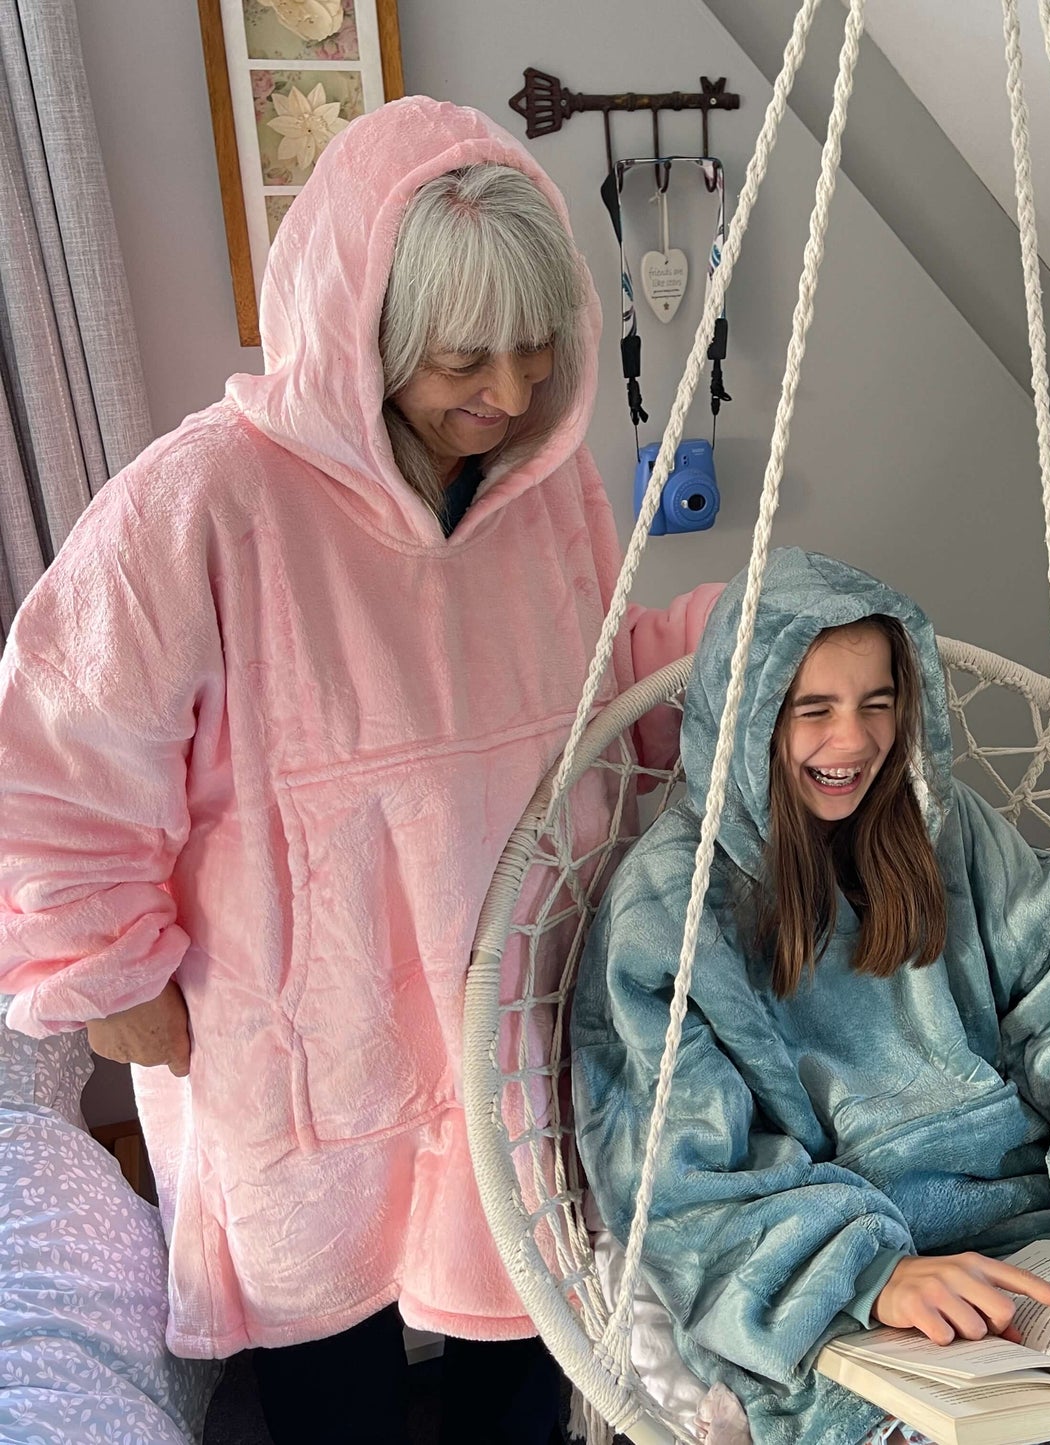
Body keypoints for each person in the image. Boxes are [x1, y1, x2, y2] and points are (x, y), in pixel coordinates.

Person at [0, 97, 719, 1445]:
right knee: (330, 1370)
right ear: (365, 331)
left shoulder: (546, 487)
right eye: (461, 357)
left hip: (512, 981)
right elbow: (57, 743)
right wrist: (107, 974)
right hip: (299, 1007)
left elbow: (600, 671)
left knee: (523, 1318)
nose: (506, 392)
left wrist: (730, 652)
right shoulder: (204, 498)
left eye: (532, 347)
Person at [572, 549, 1050, 1445]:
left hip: (1037, 1234)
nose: (852, 741)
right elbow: (675, 1175)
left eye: (876, 703)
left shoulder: (950, 831)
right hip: (840, 1284)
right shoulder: (666, 910)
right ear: (746, 713)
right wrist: (871, 1278)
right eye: (813, 710)